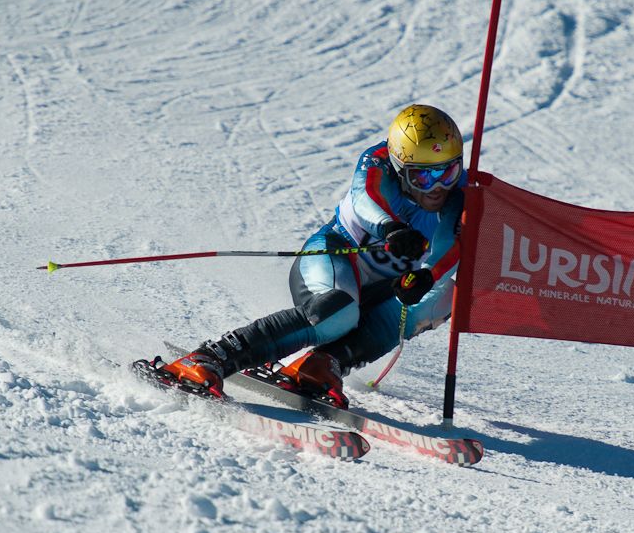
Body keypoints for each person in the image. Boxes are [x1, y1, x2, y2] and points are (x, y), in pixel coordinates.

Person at [151, 105, 465, 408]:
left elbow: (452, 241)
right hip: (332, 257)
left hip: (383, 288)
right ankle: (210, 356)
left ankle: (322, 364)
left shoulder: (461, 194)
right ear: (400, 168)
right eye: (424, 178)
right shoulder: (377, 162)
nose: (439, 187)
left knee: (444, 296)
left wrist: (427, 275)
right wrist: (391, 229)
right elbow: (366, 198)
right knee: (339, 312)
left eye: (448, 172)